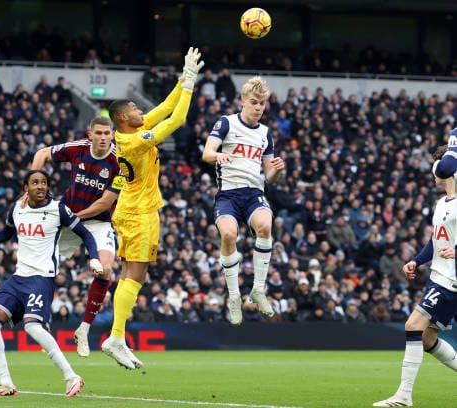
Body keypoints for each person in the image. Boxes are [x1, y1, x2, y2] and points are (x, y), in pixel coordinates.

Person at [0, 170, 102, 398]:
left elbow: (86, 235)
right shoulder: (17, 209)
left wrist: (94, 257)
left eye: (44, 183)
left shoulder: (58, 210)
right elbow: (2, 235)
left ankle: (71, 376)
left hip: (42, 278)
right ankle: (6, 383)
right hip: (19, 278)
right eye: (35, 182)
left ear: (48, 187)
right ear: (25, 186)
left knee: (32, 326)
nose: (40, 186)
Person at [100, 47, 204, 370]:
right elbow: (179, 118)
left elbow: (164, 107)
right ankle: (116, 337)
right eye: (133, 107)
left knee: (131, 275)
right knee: (136, 275)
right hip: (139, 212)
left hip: (130, 210)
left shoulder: (132, 132)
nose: (138, 109)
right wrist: (187, 87)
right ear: (122, 118)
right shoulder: (133, 141)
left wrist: (184, 79)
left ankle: (117, 337)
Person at [29, 116, 123, 358]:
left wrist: (74, 217)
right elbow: (42, 153)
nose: (103, 137)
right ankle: (42, 323)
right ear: (90, 134)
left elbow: (106, 202)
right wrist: (32, 185)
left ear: (112, 134)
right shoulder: (77, 149)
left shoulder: (119, 162)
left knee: (105, 270)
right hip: (68, 217)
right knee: (43, 266)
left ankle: (83, 330)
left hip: (96, 221)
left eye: (107, 133)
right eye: (99, 133)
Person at [374, 145, 457, 407]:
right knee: (427, 338)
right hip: (438, 276)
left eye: (437, 165)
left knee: (412, 326)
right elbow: (435, 242)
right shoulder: (441, 202)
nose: (433, 172)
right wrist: (416, 261)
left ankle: (404, 396)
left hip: (450, 280)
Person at [201, 76, 285, 325]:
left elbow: (271, 177)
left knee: (266, 226)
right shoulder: (226, 123)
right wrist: (218, 156)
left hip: (253, 194)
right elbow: (206, 153)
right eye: (254, 102)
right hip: (228, 194)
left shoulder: (265, 133)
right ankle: (235, 296)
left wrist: (278, 169)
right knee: (228, 235)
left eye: (262, 103)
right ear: (243, 101)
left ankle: (258, 289)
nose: (259, 107)